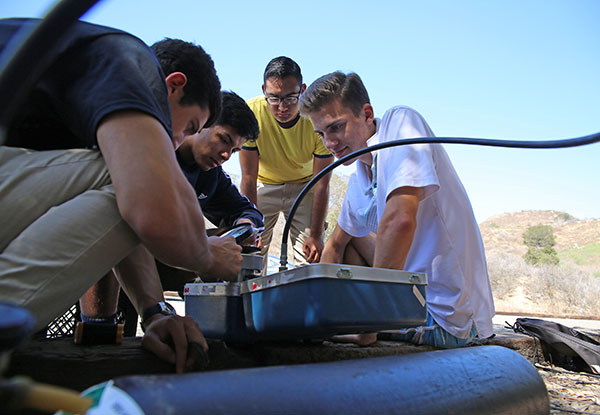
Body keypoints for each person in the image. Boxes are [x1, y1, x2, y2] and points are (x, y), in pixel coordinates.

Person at [0, 18, 242, 373]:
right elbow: (149, 206)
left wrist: (154, 311)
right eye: (189, 127)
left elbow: (124, 213)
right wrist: (206, 255)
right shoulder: (130, 62)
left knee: (133, 179)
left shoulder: (85, 85)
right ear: (173, 86)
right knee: (143, 181)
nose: (178, 142)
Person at [299, 71, 495, 348]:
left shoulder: (400, 124)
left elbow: (400, 220)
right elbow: (334, 245)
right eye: (321, 134)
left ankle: (369, 323)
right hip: (410, 299)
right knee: (350, 240)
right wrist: (317, 313)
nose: (329, 144)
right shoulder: (359, 178)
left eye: (336, 127)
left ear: (367, 114)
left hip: (447, 318)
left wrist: (369, 326)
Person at [81, 91, 264, 322]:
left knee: (230, 244)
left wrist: (244, 226)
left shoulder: (212, 174)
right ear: (201, 123)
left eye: (235, 150)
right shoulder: (155, 149)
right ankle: (98, 326)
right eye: (224, 140)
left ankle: (219, 323)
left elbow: (248, 211)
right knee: (114, 224)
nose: (227, 154)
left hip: (168, 259)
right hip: (121, 251)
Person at [240, 56, 333, 268]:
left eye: (291, 98)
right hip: (264, 185)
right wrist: (251, 228)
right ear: (264, 90)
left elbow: (322, 184)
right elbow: (248, 176)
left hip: (306, 186)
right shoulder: (252, 112)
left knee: (309, 257)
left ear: (303, 89)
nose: (282, 107)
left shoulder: (317, 117)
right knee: (252, 253)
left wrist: (317, 234)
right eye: (273, 98)